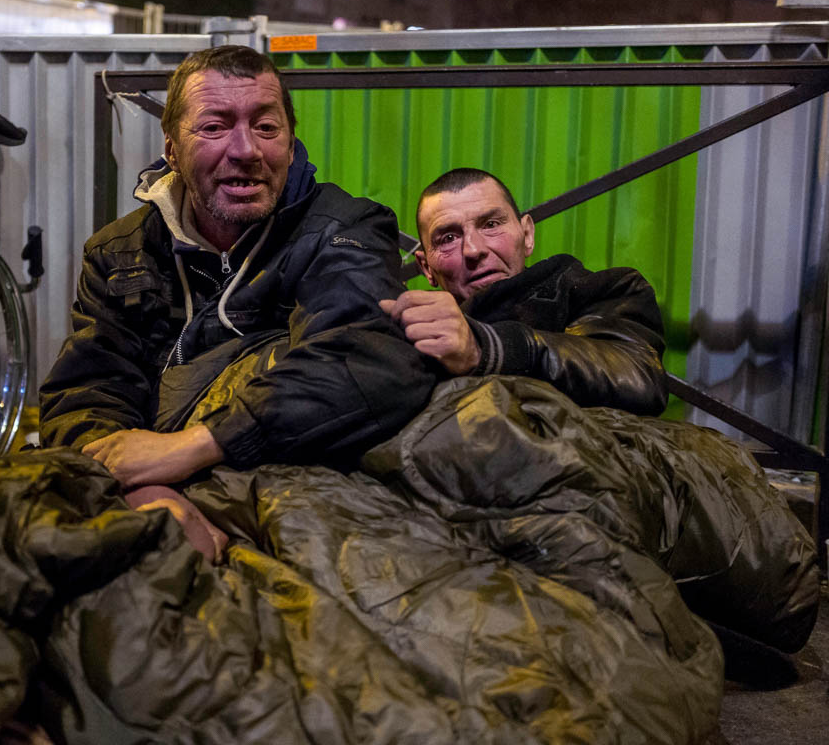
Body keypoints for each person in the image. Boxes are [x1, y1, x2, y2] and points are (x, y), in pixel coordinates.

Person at [39, 45, 432, 556]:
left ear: (290, 144)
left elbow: (360, 364)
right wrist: (148, 492)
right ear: (173, 150)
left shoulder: (344, 230)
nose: (245, 149)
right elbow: (86, 393)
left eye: (266, 128)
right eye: (214, 127)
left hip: (303, 490)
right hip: (151, 493)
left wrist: (196, 446)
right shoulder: (119, 253)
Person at [380, 167, 668, 415]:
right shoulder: (409, 329)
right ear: (426, 267)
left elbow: (638, 378)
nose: (474, 249)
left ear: (527, 235)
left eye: (491, 224)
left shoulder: (602, 291)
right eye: (449, 238)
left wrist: (489, 348)